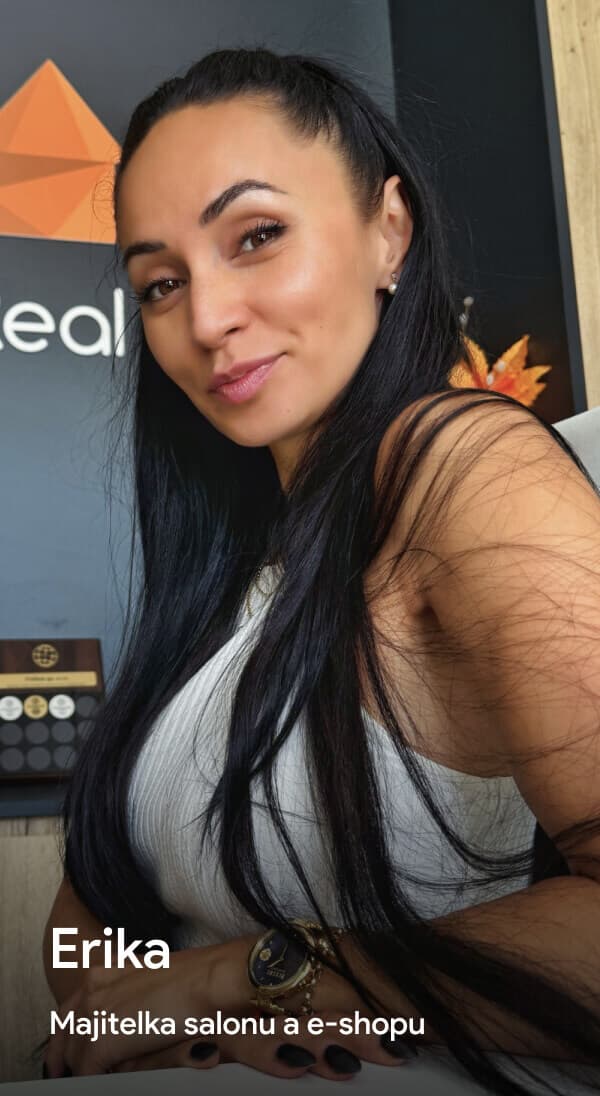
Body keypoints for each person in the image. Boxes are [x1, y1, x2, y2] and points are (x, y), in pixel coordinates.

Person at [42, 47, 600, 1092]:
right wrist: (141, 1007)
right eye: (161, 283)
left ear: (389, 230)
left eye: (256, 236)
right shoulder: (224, 562)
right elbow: (85, 928)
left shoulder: (462, 469)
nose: (206, 319)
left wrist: (251, 974)